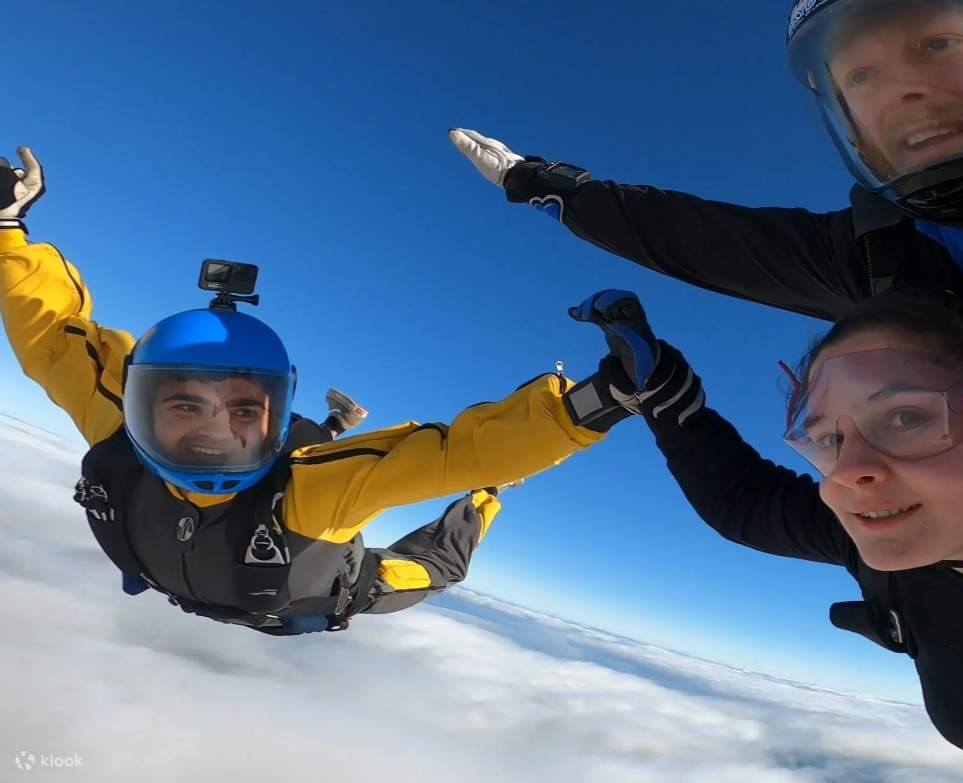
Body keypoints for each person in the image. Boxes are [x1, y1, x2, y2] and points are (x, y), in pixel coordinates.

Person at [0, 148, 622, 635]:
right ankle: (333, 422)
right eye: (186, 403)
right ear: (138, 402)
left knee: (438, 566)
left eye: (244, 409)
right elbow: (54, 336)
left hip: (332, 590)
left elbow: (453, 456)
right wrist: (5, 225)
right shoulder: (130, 436)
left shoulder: (306, 494)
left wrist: (584, 407)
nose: (213, 429)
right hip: (258, 560)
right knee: (309, 460)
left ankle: (484, 501)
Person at [569, 286, 963, 781]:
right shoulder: (886, 550)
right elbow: (744, 505)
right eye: (829, 439)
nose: (851, 473)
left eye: (906, 417)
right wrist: (667, 401)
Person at [451, 0, 963, 401]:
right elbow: (702, 239)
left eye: (939, 42)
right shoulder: (892, 256)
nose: (897, 91)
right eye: (859, 78)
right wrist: (550, 187)